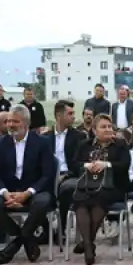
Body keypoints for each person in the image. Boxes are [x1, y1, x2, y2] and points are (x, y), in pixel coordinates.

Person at [0, 105, 56, 265]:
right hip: (8, 192)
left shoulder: (42, 143)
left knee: (42, 203)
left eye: (15, 121)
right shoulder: (0, 143)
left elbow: (47, 174)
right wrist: (5, 193)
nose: (10, 124)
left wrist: (27, 193)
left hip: (34, 191)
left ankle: (15, 245)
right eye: (8, 121)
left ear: (26, 123)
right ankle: (27, 240)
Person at [68, 114, 130, 265]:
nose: (108, 129)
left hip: (113, 186)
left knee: (100, 199)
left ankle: (87, 244)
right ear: (94, 130)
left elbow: (124, 165)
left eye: (110, 126)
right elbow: (74, 165)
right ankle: (89, 244)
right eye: (103, 127)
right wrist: (86, 166)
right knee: (81, 201)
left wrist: (106, 165)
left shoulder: (120, 144)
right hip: (87, 185)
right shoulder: (85, 145)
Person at [45, 100, 86, 244]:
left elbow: (79, 163)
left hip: (69, 175)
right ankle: (46, 229)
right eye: (70, 114)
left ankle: (61, 229)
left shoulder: (79, 137)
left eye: (73, 113)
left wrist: (65, 175)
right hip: (48, 176)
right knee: (37, 190)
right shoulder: (45, 138)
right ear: (58, 116)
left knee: (67, 188)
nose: (73, 117)